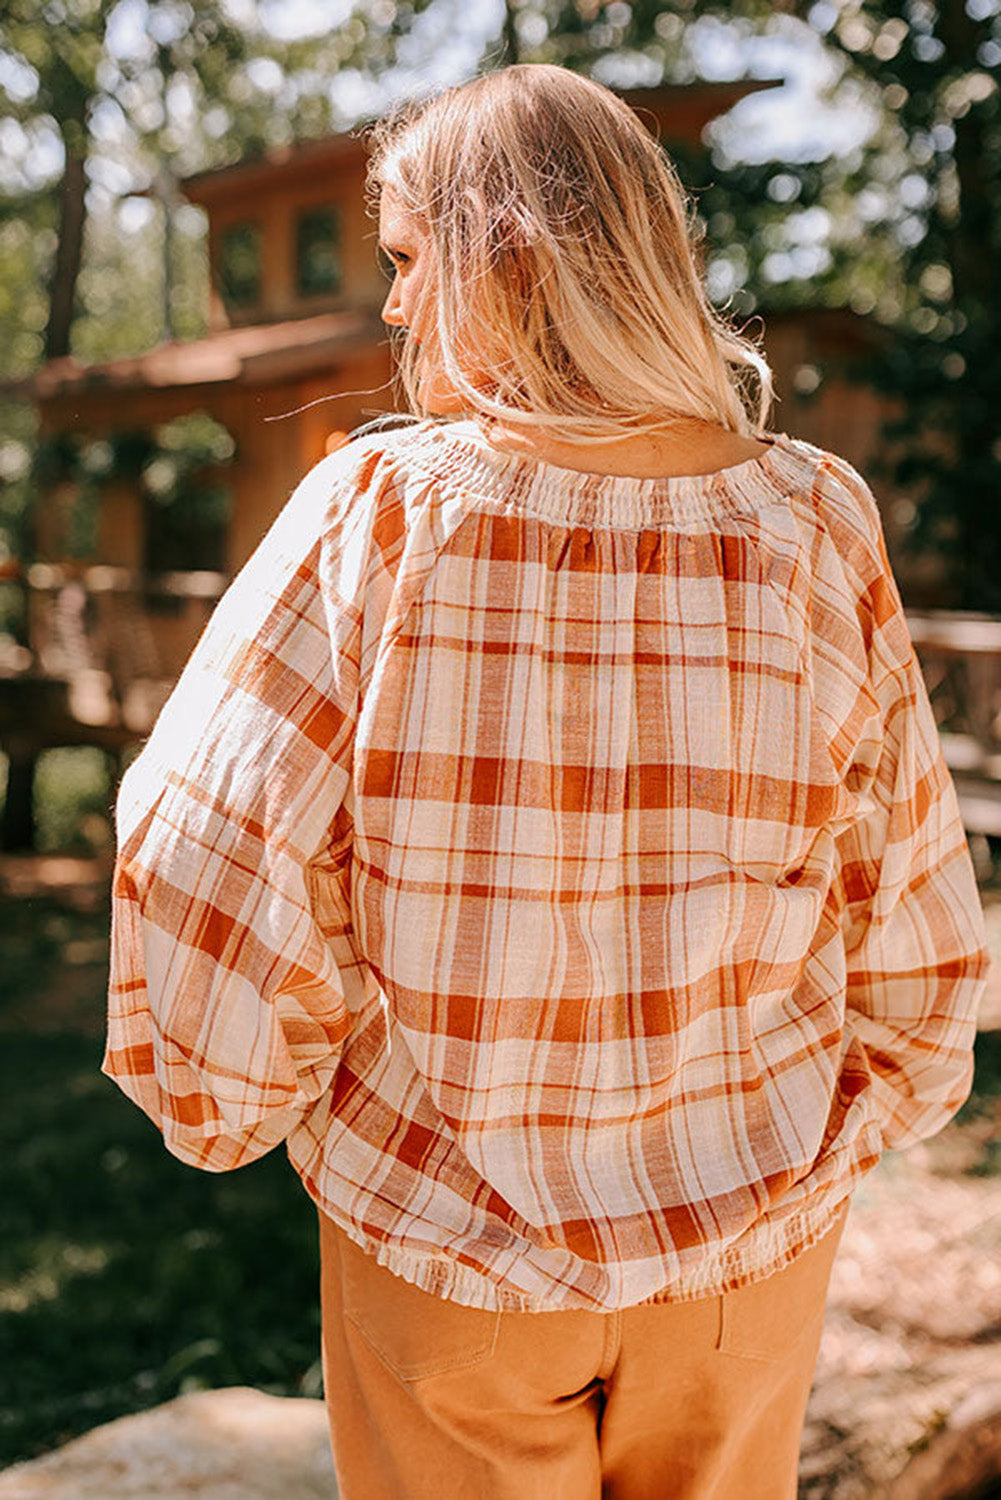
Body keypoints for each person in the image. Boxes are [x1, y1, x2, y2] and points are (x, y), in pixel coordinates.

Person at [104, 63, 990, 1500]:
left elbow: (208, 839)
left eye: (406, 260)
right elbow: (897, 862)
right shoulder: (815, 517)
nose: (392, 308)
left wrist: (244, 1088)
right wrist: (884, 1092)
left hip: (447, 1235)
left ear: (502, 253)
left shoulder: (376, 511)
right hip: (751, 1242)